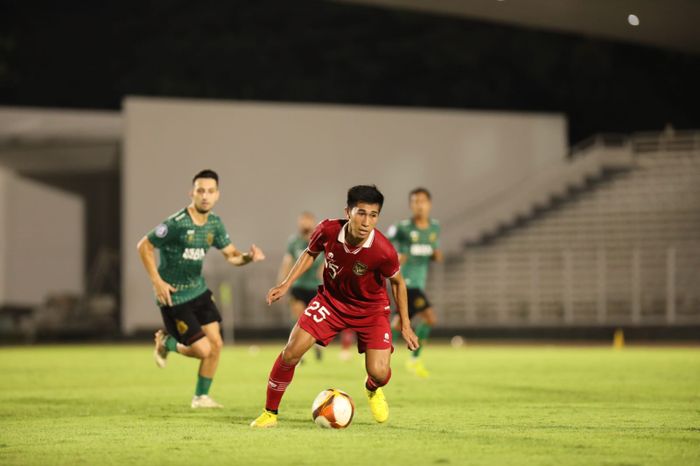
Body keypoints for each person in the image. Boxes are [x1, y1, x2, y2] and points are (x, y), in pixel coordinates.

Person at [250, 185, 419, 428]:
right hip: (331, 302)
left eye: (373, 215)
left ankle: (372, 389)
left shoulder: (383, 250)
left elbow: (398, 284)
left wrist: (405, 324)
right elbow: (310, 253)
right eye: (361, 213)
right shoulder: (328, 230)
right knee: (291, 352)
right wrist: (286, 284)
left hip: (371, 310)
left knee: (380, 373)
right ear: (348, 211)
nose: (366, 221)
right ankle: (270, 413)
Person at [137, 169, 265, 408]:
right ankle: (166, 343)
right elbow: (144, 246)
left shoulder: (214, 224)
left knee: (216, 345)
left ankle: (201, 397)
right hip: (174, 296)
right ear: (191, 193)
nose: (205, 196)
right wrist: (156, 281)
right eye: (200, 191)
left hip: (199, 291)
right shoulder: (176, 224)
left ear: (217, 195)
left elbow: (232, 255)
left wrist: (248, 257)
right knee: (203, 350)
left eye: (210, 191)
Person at [388, 187, 442, 378]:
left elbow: (435, 252)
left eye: (422, 201)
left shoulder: (434, 228)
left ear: (429, 204)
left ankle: (381, 357)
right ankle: (414, 359)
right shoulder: (402, 228)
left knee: (397, 322)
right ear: (411, 205)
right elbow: (387, 246)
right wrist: (396, 257)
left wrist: (436, 254)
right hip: (406, 282)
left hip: (418, 283)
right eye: (415, 201)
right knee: (429, 318)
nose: (419, 205)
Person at [278, 212, 324, 361]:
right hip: (298, 285)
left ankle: (315, 345)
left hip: (315, 287)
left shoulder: (320, 241)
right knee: (299, 318)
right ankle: (297, 350)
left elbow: (325, 263)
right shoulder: (294, 242)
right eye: (302, 221)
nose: (305, 224)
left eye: (308, 221)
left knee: (313, 320)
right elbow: (287, 262)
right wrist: (282, 284)